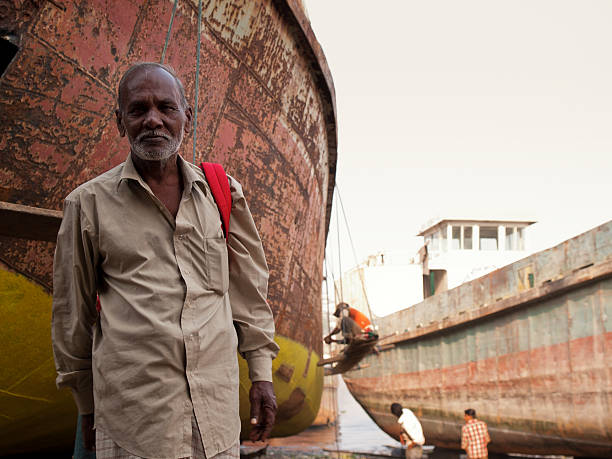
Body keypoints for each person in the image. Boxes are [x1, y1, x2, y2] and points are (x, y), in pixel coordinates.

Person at [51, 62, 279, 459]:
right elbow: (73, 314)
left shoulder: (222, 193)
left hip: (217, 422)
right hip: (134, 426)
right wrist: (86, 404)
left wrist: (261, 376)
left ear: (186, 117)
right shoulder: (87, 204)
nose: (153, 121)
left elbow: (249, 295)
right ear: (120, 121)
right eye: (138, 110)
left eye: (166, 108)